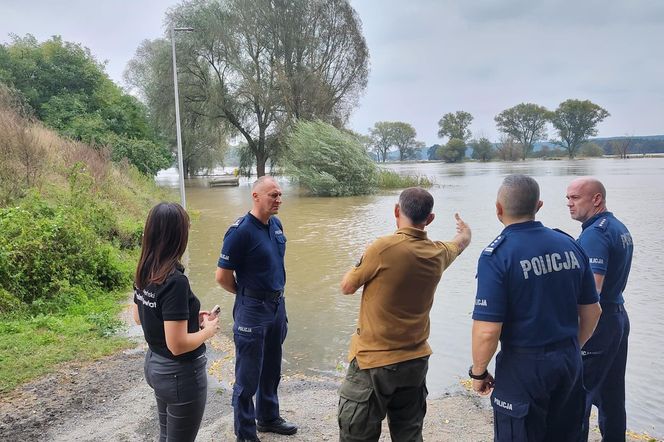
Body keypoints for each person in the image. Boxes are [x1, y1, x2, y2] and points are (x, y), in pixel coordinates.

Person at [471, 174, 601, 441]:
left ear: (498, 208)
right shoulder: (570, 245)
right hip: (569, 361)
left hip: (523, 367)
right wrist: (570, 347)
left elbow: (487, 331)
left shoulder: (497, 256)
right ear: (538, 206)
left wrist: (479, 371)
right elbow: (593, 311)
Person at [337, 187, 472, 442]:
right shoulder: (438, 253)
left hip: (373, 362)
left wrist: (362, 258)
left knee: (357, 434)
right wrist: (464, 230)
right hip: (415, 361)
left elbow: (347, 286)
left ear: (397, 211)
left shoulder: (383, 248)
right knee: (409, 434)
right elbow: (460, 243)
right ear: (430, 219)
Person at [215, 176, 296, 442]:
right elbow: (222, 277)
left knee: (271, 367)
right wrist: (246, 295)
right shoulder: (239, 232)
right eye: (273, 195)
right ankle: (246, 434)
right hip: (252, 308)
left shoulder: (276, 224)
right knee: (248, 375)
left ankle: (268, 418)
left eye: (280, 195)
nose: (278, 200)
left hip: (276, 305)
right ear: (256, 196)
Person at [132, 202, 219, 442]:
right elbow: (177, 345)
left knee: (166, 435)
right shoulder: (175, 280)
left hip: (155, 365)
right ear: (178, 236)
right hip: (179, 374)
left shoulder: (145, 268)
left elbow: (140, 316)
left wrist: (188, 317)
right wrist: (208, 330)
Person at [567, 177, 633, 441]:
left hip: (599, 322)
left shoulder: (595, 234)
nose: (569, 204)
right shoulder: (617, 226)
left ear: (597, 199)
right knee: (612, 393)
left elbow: (592, 290)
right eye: (567, 198)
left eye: (575, 198)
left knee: (578, 395)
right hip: (617, 316)